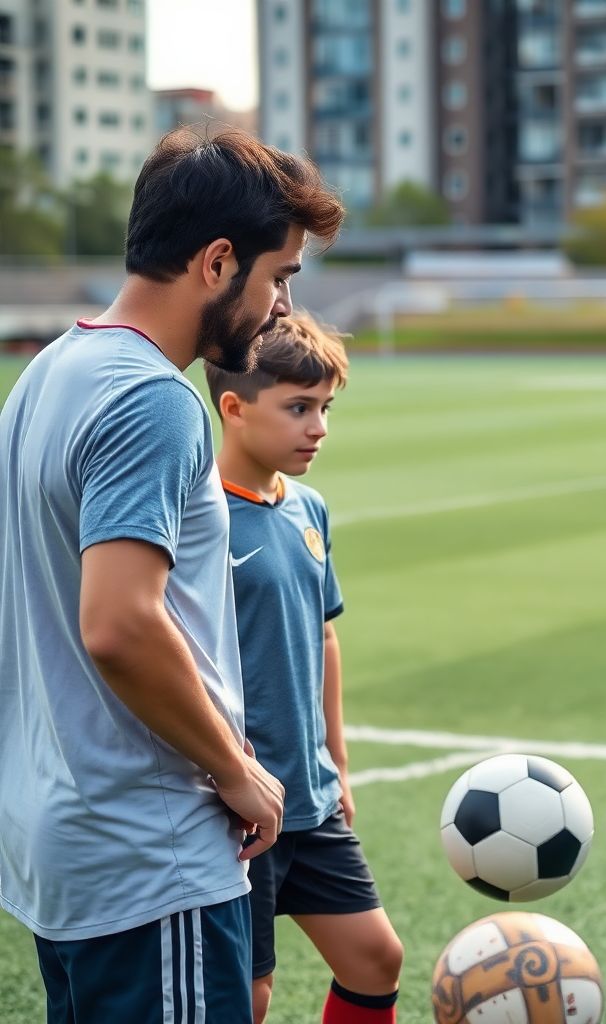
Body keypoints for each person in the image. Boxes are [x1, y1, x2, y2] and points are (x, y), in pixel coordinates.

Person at [0, 127, 343, 1024]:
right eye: (278, 277)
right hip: (151, 861)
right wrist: (235, 769)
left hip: (65, 847)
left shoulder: (45, 376)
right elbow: (118, 624)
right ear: (217, 262)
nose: (278, 308)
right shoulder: (153, 398)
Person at [204, 313, 403, 1024]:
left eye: (324, 408)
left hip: (310, 797)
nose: (318, 427)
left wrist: (337, 763)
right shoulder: (199, 519)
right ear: (234, 408)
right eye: (298, 408)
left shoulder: (309, 507)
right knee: (248, 995)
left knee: (376, 959)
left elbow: (323, 637)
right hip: (237, 807)